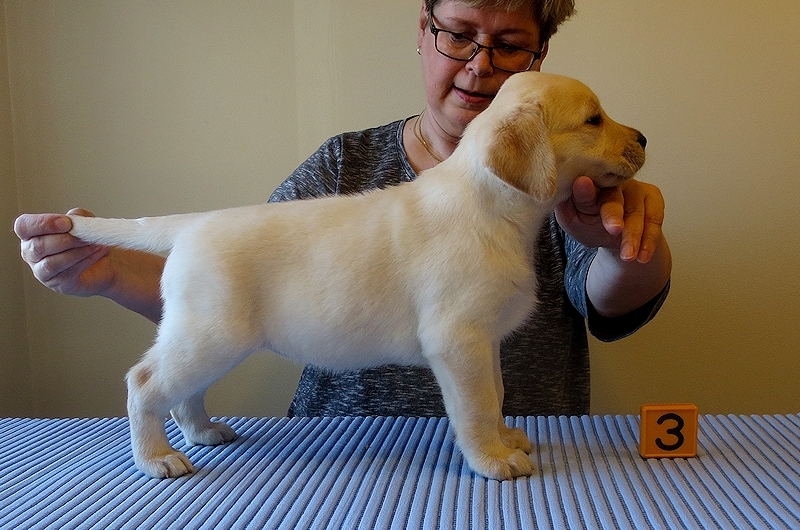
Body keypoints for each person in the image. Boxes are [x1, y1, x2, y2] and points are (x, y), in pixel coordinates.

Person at [14, 0, 671, 418]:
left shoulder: (570, 178)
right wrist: (106, 273)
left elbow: (612, 307)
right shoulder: (343, 164)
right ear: (424, 30)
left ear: (538, 57)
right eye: (459, 35)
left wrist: (624, 244)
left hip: (532, 448)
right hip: (333, 458)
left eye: (508, 44)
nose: (478, 65)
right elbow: (226, 284)